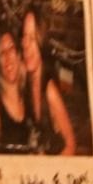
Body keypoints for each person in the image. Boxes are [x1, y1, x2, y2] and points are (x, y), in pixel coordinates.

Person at [20, 8, 76, 156]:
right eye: (24, 37)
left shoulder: (50, 91)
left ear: (42, 42)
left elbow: (71, 145)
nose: (26, 45)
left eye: (32, 38)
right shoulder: (27, 80)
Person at [0, 30, 32, 152]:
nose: (7, 57)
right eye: (2, 53)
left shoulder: (28, 98)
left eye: (11, 49)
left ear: (19, 55)